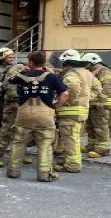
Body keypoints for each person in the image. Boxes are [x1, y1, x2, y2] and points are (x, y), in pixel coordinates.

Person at [6, 51, 69, 182]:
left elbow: (10, 80)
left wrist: (22, 69)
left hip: (24, 113)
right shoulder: (52, 77)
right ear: (44, 62)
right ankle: (44, 174)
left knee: (18, 143)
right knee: (45, 144)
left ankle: (13, 171)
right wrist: (55, 107)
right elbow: (65, 94)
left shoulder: (22, 75)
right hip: (45, 115)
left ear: (30, 62)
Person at [55, 49, 101, 173]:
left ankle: (72, 165)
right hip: (82, 112)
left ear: (66, 62)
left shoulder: (71, 73)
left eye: (62, 63)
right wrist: (85, 99)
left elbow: (73, 87)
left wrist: (67, 101)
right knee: (74, 138)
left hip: (69, 111)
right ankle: (70, 160)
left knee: (70, 139)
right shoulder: (87, 73)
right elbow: (98, 88)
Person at [0, 53, 34, 167]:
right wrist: (14, 100)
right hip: (12, 105)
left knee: (24, 132)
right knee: (7, 131)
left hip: (25, 106)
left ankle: (21, 154)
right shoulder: (18, 68)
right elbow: (9, 85)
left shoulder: (37, 71)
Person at [81, 52, 111, 158]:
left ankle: (102, 148)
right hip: (93, 103)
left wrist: (101, 101)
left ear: (92, 61)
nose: (85, 66)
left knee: (101, 126)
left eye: (86, 63)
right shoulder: (92, 71)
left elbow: (108, 87)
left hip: (102, 104)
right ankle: (91, 145)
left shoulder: (104, 71)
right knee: (91, 126)